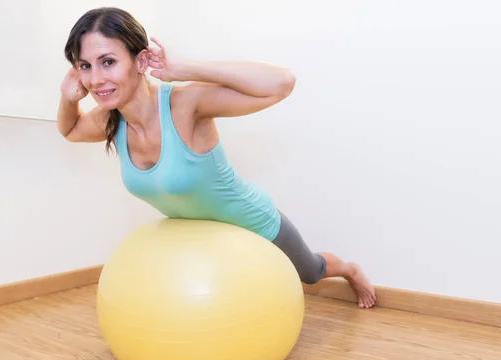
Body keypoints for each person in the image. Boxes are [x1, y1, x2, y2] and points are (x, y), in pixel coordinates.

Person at [57, 7, 376, 308]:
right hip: (204, 241)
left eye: (108, 62)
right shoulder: (110, 119)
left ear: (140, 61)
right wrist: (67, 99)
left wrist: (182, 70)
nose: (96, 79)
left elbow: (281, 84)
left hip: (253, 222)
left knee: (310, 272)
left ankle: (350, 270)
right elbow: (70, 130)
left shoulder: (185, 104)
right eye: (85, 66)